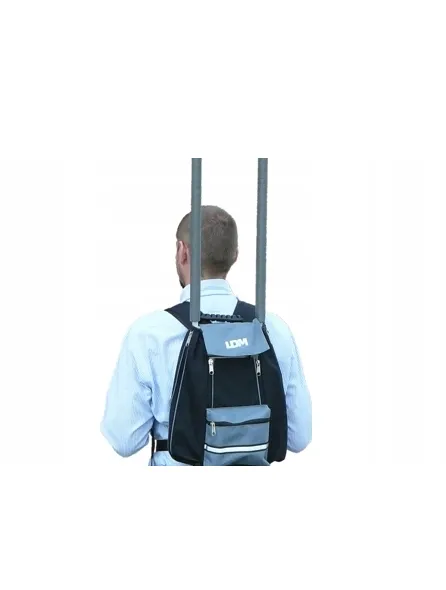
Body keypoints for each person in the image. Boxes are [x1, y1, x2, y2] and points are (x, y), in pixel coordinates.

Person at [100, 205, 312, 465]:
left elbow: (124, 441)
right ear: (235, 255)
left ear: (182, 252)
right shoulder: (272, 329)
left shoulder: (149, 333)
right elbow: (299, 438)